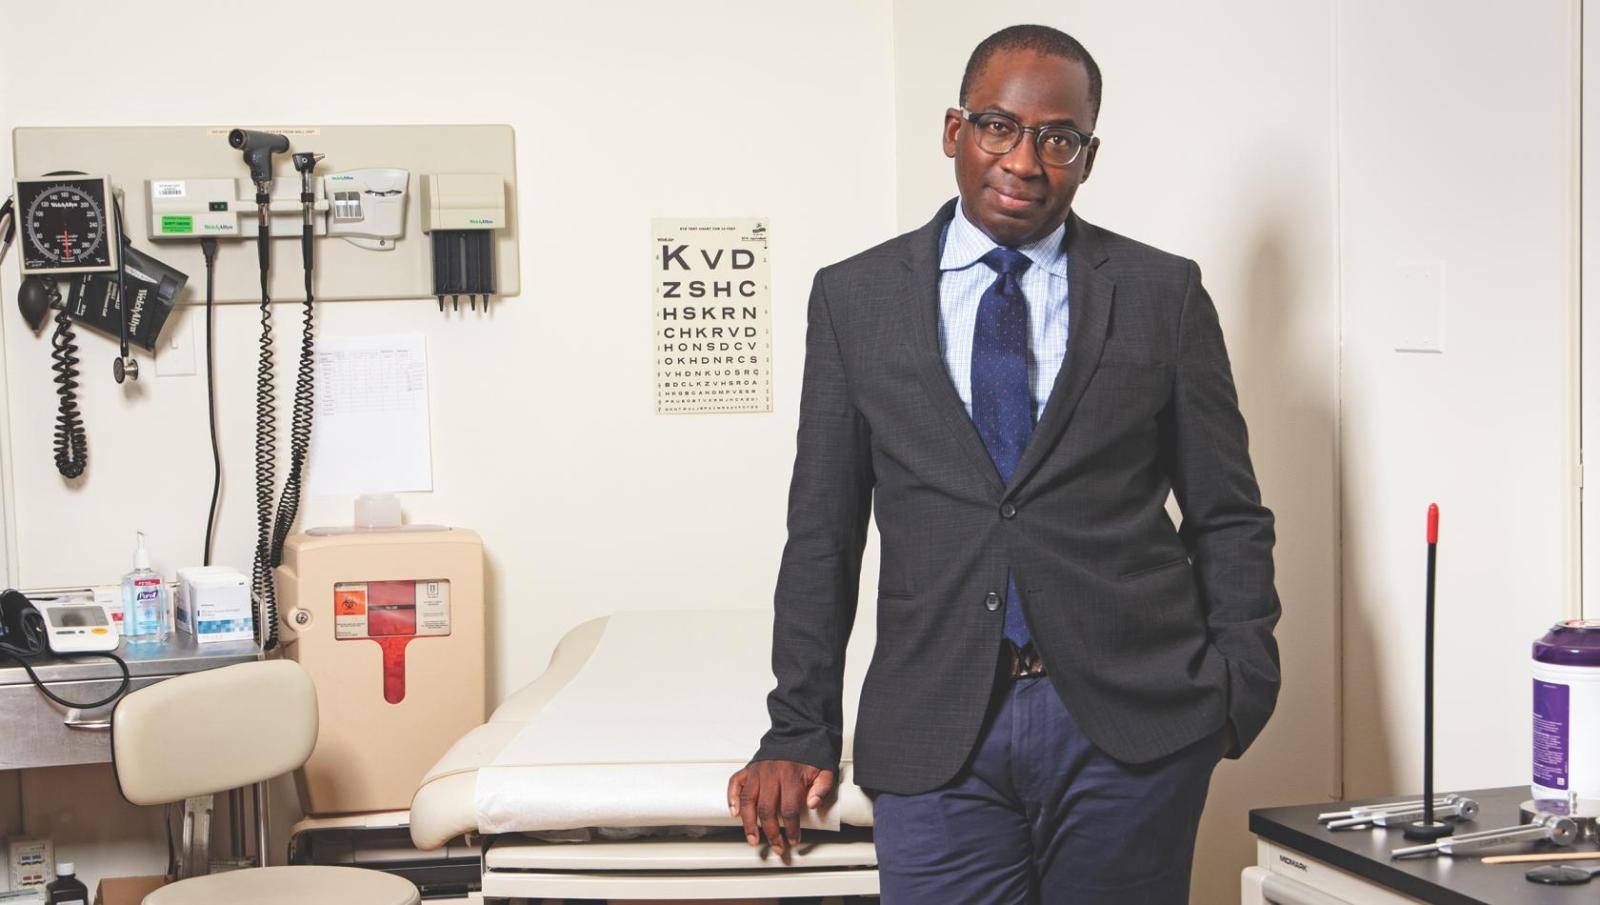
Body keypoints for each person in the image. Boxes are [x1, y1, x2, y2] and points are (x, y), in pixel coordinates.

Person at [727, 23, 1280, 904]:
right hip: (936, 724)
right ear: (955, 131)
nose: (1025, 161)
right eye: (999, 127)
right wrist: (798, 726)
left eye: (1058, 138)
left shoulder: (1160, 294)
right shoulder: (854, 299)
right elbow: (822, 532)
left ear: (1088, 157)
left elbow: (1229, 514)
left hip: (1130, 727)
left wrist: (1237, 687)